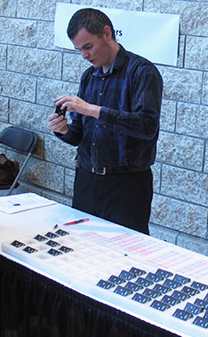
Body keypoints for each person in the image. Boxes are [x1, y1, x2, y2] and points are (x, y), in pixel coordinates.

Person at [46, 8, 163, 235]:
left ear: (107, 33)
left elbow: (147, 125)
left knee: (126, 254)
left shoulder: (142, 72)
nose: (84, 56)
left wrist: (93, 109)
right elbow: (80, 133)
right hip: (87, 178)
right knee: (79, 247)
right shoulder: (89, 76)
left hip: (126, 184)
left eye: (88, 47)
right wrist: (63, 130)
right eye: (79, 50)